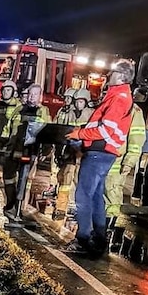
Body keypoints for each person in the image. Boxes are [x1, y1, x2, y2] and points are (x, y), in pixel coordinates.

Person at [65, 59, 136, 255]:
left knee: (84, 195)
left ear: (121, 76)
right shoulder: (118, 96)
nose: (107, 76)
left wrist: (79, 134)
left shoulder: (119, 98)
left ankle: (84, 239)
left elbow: (105, 130)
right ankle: (99, 237)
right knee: (95, 196)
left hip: (100, 151)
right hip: (103, 152)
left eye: (112, 73)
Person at [2, 83, 51, 217]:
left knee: (24, 179)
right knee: (8, 177)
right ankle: (11, 203)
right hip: (13, 149)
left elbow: (47, 132)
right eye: (30, 94)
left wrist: (46, 151)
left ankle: (19, 208)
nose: (32, 97)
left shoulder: (43, 111)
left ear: (40, 96)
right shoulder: (19, 109)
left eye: (35, 94)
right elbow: (8, 128)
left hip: (29, 151)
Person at [103, 84, 148, 230]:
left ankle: (107, 231)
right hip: (100, 158)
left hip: (117, 161)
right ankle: (98, 229)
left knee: (112, 194)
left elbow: (137, 139)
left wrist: (129, 162)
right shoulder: (107, 105)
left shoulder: (134, 111)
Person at [53, 87, 93, 221]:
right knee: (66, 178)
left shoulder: (91, 114)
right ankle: (61, 208)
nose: (77, 104)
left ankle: (81, 209)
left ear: (86, 102)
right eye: (76, 101)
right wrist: (59, 151)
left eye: (81, 101)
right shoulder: (68, 112)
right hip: (70, 151)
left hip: (84, 153)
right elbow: (60, 132)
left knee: (81, 181)